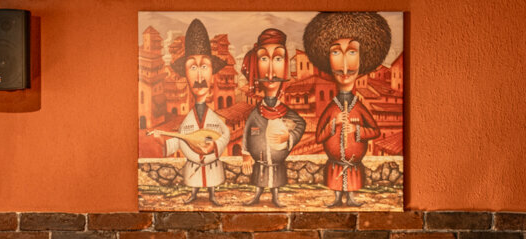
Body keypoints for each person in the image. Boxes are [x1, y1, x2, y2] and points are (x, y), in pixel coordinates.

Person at [303, 12, 390, 207]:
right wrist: (334, 124)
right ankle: (336, 198)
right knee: (336, 181)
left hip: (353, 163)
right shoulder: (331, 108)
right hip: (335, 162)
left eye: (351, 52)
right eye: (336, 52)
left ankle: (350, 198)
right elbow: (319, 136)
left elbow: (375, 131)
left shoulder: (359, 107)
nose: (344, 66)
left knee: (351, 182)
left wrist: (356, 130)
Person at [149, 19, 231, 206]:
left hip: (212, 164)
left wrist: (215, 145)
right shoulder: (187, 120)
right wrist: (162, 142)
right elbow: (181, 139)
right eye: (193, 67)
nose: (200, 76)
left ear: (212, 72)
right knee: (194, 181)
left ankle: (212, 195)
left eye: (204, 67)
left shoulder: (214, 117)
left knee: (211, 179)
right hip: (193, 165)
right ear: (185, 74)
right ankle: (193, 194)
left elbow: (225, 134)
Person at [241, 28, 305, 208]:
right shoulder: (256, 113)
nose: (270, 71)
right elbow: (246, 132)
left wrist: (289, 137)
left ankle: (276, 198)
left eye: (278, 59)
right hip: (259, 160)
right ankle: (256, 196)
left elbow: (300, 124)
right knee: (259, 178)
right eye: (264, 59)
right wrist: (246, 154)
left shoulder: (284, 111)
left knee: (276, 179)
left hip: (277, 161)